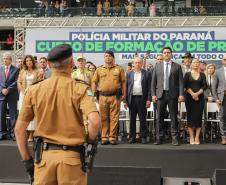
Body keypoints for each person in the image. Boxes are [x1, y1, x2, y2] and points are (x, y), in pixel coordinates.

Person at [15, 44, 100, 184]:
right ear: (72, 63)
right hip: (72, 159)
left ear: (48, 64)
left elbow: (19, 130)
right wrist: (89, 141)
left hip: (43, 159)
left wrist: (27, 162)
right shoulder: (80, 88)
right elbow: (95, 122)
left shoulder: (34, 90)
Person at [151, 47, 184, 145]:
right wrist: (153, 94)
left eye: (168, 52)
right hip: (160, 95)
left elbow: (181, 83)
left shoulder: (177, 66)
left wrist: (181, 94)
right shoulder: (157, 66)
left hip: (172, 95)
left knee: (174, 117)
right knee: (159, 118)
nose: (166, 54)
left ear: (171, 54)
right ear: (162, 54)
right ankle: (159, 138)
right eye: (164, 52)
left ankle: (174, 138)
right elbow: (153, 83)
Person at [92, 50, 126, 145]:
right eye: (106, 56)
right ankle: (104, 137)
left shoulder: (119, 69)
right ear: (104, 58)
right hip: (102, 97)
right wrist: (94, 95)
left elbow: (123, 82)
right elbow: (94, 82)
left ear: (113, 58)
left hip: (115, 96)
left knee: (114, 118)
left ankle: (112, 137)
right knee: (103, 117)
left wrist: (124, 94)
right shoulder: (99, 69)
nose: (108, 57)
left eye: (109, 56)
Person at [125, 57, 152, 144]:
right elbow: (125, 87)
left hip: (142, 99)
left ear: (141, 63)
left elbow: (149, 88)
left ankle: (143, 136)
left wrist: (149, 100)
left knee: (143, 119)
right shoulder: (129, 74)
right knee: (132, 119)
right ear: (133, 64)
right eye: (136, 62)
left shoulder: (147, 73)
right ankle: (132, 137)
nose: (137, 64)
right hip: (131, 99)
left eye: (139, 62)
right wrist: (125, 101)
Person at [17, 55, 42, 142]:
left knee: (33, 114)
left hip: (34, 95)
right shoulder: (22, 71)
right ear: (25, 62)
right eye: (27, 61)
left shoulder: (38, 71)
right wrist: (23, 92)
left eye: (30, 60)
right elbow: (19, 82)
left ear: (33, 62)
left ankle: (31, 135)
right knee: (23, 113)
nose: (28, 62)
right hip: (23, 95)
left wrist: (31, 91)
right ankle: (25, 133)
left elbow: (39, 83)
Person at [184, 59, 207, 145]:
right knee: (190, 117)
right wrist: (193, 94)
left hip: (200, 99)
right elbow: (186, 85)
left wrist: (197, 94)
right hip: (189, 98)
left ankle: (197, 137)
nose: (196, 64)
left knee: (198, 117)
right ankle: (191, 136)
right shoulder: (187, 74)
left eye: (197, 63)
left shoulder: (202, 75)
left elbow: (204, 86)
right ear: (191, 64)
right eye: (194, 62)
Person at [0, 52, 19, 140]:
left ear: (10, 60)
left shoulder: (16, 69)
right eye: (3, 58)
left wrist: (8, 89)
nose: (4, 60)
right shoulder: (0, 69)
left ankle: (13, 133)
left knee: (13, 114)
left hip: (12, 94)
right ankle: (2, 132)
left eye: (6, 58)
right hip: (1, 95)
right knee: (1, 114)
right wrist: (2, 89)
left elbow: (17, 81)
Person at [212, 54, 226, 145]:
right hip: (222, 98)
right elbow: (214, 87)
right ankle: (224, 137)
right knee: (222, 118)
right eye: (225, 59)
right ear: (222, 61)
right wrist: (216, 98)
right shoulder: (217, 71)